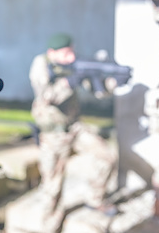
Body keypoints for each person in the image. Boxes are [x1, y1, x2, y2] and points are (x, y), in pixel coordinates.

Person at [29, 33, 116, 232]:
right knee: (52, 186)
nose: (71, 56)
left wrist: (112, 82)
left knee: (107, 157)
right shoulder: (41, 65)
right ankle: (49, 226)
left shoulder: (74, 65)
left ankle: (96, 199)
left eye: (72, 51)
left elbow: (97, 89)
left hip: (74, 128)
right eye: (66, 53)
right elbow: (47, 96)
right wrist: (69, 82)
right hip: (53, 134)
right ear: (52, 53)